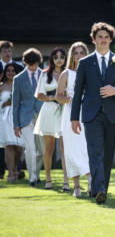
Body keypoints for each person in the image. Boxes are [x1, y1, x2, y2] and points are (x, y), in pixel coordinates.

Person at [71, 22, 115, 204]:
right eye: (100, 37)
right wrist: (74, 118)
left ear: (111, 40)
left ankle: (100, 187)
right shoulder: (84, 62)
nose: (103, 40)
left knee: (108, 153)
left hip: (113, 114)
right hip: (91, 114)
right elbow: (77, 92)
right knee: (95, 151)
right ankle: (99, 189)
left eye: (106, 37)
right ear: (94, 39)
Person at [56, 42, 92, 197]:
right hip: (70, 113)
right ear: (72, 55)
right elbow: (58, 96)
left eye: (81, 53)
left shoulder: (91, 71)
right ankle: (76, 186)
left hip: (88, 112)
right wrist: (71, 100)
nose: (79, 56)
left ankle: (91, 182)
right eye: (76, 53)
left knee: (86, 147)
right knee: (71, 148)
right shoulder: (66, 74)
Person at [34, 47, 68, 191]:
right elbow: (39, 95)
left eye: (61, 56)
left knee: (65, 147)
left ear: (66, 58)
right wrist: (53, 97)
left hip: (65, 111)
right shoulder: (44, 74)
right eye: (56, 57)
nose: (59, 59)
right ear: (52, 59)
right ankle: (48, 179)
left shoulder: (69, 74)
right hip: (48, 110)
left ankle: (66, 181)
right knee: (49, 148)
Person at [12, 48, 45, 187]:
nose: (33, 67)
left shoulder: (45, 75)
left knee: (43, 151)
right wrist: (16, 125)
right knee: (30, 148)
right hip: (25, 118)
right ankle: (32, 179)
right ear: (25, 63)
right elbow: (15, 103)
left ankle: (36, 173)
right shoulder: (18, 79)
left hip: (43, 116)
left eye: (36, 64)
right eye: (31, 65)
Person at [0, 41, 25, 180]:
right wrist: (4, 104)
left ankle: (15, 168)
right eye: (4, 50)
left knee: (19, 148)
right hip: (4, 118)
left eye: (12, 71)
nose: (10, 72)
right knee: (9, 145)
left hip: (18, 117)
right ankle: (10, 173)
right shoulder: (1, 86)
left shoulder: (19, 85)